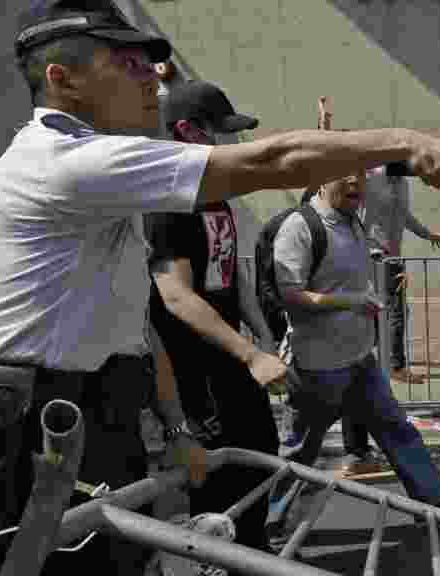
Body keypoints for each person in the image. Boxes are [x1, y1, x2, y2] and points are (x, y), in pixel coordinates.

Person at [0, 1, 440, 573]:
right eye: (128, 62)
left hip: (97, 410)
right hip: (38, 421)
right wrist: (403, 140)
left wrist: (176, 427)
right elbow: (275, 160)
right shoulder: (63, 162)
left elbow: (133, 328)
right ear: (64, 78)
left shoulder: (106, 186)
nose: (151, 79)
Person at [267, 168, 440, 549]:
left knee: (397, 429)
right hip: (318, 367)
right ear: (323, 177)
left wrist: (387, 268)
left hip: (360, 360)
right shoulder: (300, 227)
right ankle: (271, 525)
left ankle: (435, 505)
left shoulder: (354, 224)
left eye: (361, 175)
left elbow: (353, 272)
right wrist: (350, 301)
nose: (355, 183)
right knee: (299, 453)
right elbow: (290, 294)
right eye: (344, 174)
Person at [145, 80, 283, 559]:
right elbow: (177, 297)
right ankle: (216, 562)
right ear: (187, 131)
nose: (227, 144)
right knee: (213, 473)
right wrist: (249, 352)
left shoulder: (213, 195)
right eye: (218, 133)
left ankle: (253, 550)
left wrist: (262, 335)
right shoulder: (167, 203)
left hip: (232, 360)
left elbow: (228, 273)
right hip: (194, 369)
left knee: (262, 454)